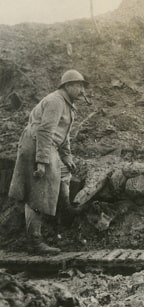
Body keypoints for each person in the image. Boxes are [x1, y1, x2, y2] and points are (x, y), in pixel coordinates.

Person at [8, 70, 88, 254]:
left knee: (63, 175)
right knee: (38, 192)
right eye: (78, 85)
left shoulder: (66, 104)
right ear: (67, 86)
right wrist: (42, 162)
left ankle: (65, 209)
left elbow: (63, 133)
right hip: (37, 145)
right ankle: (34, 242)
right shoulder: (55, 101)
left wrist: (66, 156)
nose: (82, 90)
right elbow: (45, 131)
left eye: (82, 86)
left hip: (47, 145)